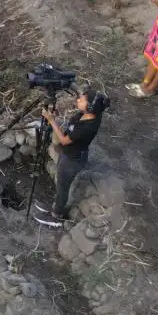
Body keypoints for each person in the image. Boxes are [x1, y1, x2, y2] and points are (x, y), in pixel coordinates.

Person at [34, 87, 106, 227]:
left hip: (72, 160)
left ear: (90, 107)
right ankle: (57, 205)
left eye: (82, 100)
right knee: (61, 183)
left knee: (62, 186)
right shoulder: (87, 114)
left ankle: (56, 216)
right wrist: (55, 116)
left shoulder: (88, 126)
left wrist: (51, 120)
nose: (78, 100)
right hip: (69, 154)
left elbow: (64, 140)